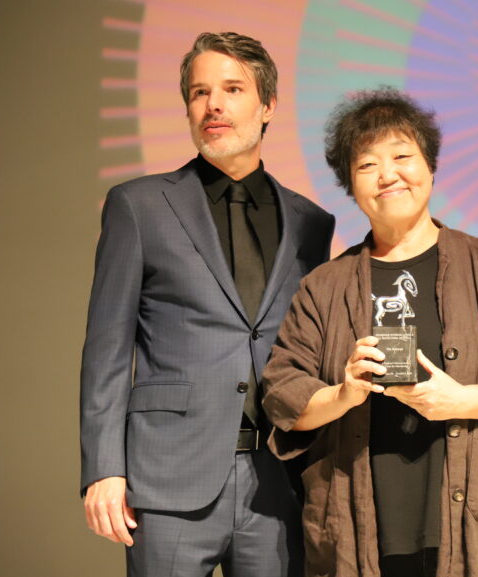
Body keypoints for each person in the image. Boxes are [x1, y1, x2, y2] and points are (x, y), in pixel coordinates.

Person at [261, 87, 478, 577]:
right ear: (350, 185)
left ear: (430, 166)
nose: (387, 174)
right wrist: (345, 393)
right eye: (367, 164)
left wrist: (459, 401)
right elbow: (282, 390)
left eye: (401, 156)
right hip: (356, 527)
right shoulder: (323, 286)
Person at [80, 31, 334, 576]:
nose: (213, 104)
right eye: (199, 93)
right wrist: (103, 469)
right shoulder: (139, 206)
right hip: (168, 477)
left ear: (268, 105)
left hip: (278, 481)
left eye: (232, 89)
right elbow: (106, 350)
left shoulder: (312, 223)